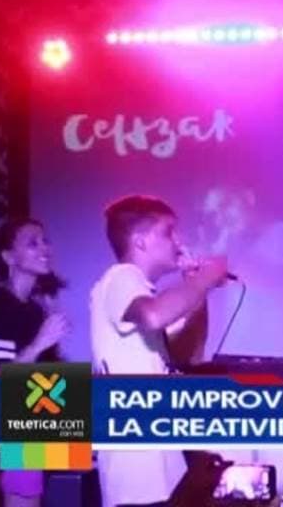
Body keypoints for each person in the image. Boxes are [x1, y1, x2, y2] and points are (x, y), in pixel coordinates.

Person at [90, 195, 228, 507]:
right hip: (136, 472)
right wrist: (205, 278)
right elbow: (154, 315)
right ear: (140, 241)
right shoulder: (121, 277)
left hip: (160, 467)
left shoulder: (141, 290)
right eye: (168, 232)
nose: (178, 241)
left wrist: (193, 284)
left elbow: (185, 352)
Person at [0, 218, 71, 507]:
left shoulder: (35, 309)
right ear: (8, 257)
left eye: (45, 240)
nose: (45, 248)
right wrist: (39, 344)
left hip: (38, 418)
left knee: (35, 497)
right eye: (32, 243)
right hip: (13, 425)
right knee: (22, 498)